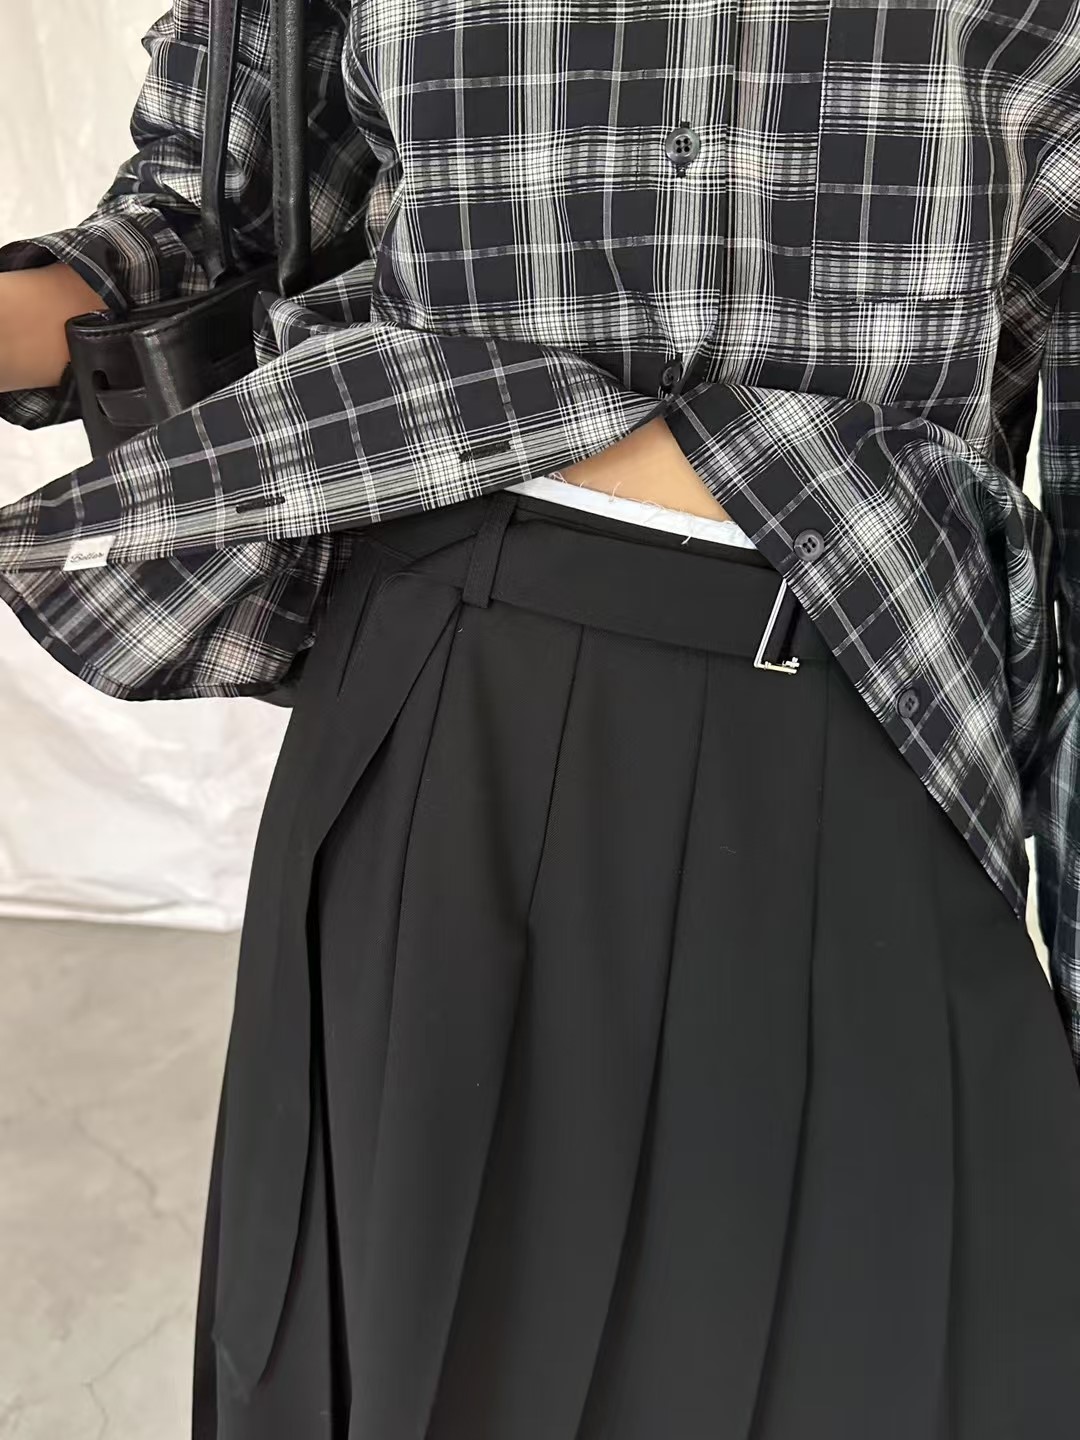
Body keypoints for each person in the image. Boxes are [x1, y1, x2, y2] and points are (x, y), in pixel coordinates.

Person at [2, 1, 1080, 1435]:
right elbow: (211, 214)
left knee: (895, 1357)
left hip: (875, 707)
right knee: (413, 1365)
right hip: (450, 700)